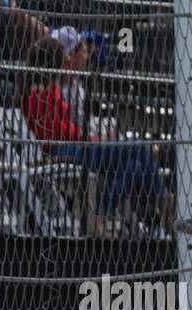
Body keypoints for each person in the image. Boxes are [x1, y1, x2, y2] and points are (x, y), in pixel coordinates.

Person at [23, 36, 169, 229]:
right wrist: (91, 137)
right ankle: (164, 206)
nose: (64, 63)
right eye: (61, 59)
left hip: (77, 146)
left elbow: (66, 127)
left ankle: (100, 216)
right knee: (141, 148)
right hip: (62, 152)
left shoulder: (51, 89)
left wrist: (88, 137)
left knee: (135, 167)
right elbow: (56, 132)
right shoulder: (37, 94)